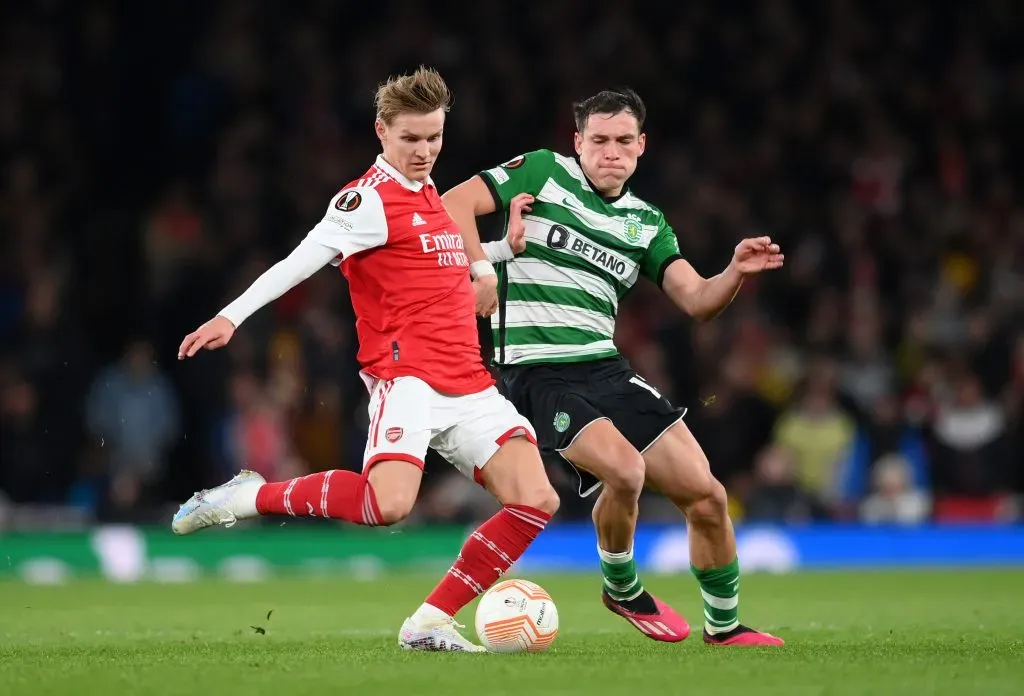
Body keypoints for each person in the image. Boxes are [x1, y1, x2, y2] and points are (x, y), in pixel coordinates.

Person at [172, 67, 559, 653]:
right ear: (381, 131)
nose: (425, 151)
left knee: (537, 499)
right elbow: (298, 261)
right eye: (411, 139)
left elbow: (438, 265)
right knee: (390, 504)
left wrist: (504, 249)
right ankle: (245, 497)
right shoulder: (365, 201)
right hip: (407, 379)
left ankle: (428, 621)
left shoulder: (429, 197)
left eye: (434, 137)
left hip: (469, 382)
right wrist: (232, 315)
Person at [442, 88, 784, 647]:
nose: (611, 152)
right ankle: (620, 586)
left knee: (708, 496)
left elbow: (697, 300)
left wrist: (734, 271)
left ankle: (723, 629)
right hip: (536, 371)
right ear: (577, 143)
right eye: (598, 140)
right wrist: (483, 271)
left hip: (606, 370)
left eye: (624, 141)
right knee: (625, 471)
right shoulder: (543, 172)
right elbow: (453, 204)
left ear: (641, 146)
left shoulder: (644, 222)